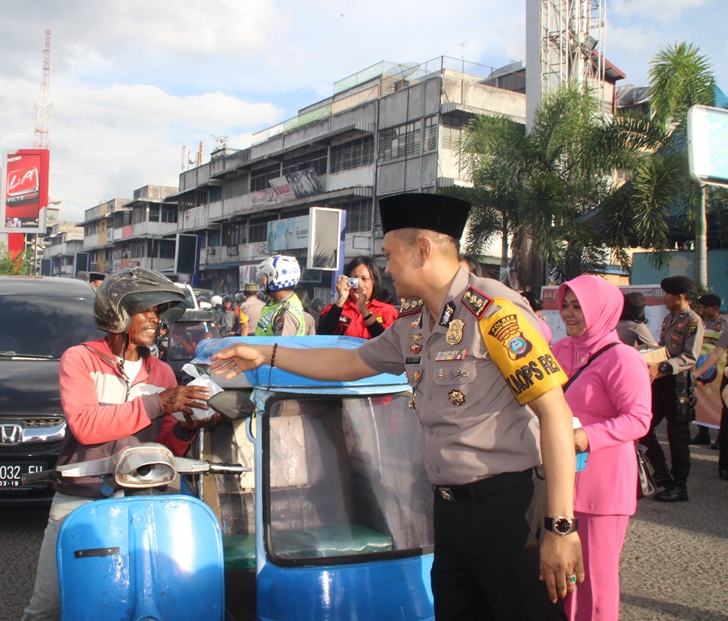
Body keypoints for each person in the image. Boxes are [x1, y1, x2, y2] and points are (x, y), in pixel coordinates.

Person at [211, 192, 583, 619]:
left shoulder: (494, 311)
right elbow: (350, 362)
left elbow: (554, 413)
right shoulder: (414, 322)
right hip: (448, 511)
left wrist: (561, 528)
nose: (385, 268)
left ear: (422, 249)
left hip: (509, 510)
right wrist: (266, 354)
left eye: (389, 255)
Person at [21, 268, 215, 621]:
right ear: (118, 313)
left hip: (140, 500)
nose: (155, 320)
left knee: (136, 601)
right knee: (47, 607)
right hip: (79, 498)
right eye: (147, 310)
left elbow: (165, 448)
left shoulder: (162, 373)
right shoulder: (80, 359)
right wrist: (158, 404)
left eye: (159, 313)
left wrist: (186, 429)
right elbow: (85, 426)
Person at [552, 275, 652, 621]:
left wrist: (588, 436)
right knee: (561, 575)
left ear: (600, 310)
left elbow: (639, 419)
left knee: (595, 580)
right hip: (561, 480)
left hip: (603, 486)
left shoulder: (622, 358)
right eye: (565, 305)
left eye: (578, 307)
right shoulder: (560, 350)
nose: (568, 313)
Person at [638, 276, 704, 503]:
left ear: (680, 296)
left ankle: (679, 486)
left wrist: (663, 366)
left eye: (667, 294)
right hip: (661, 382)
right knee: (644, 426)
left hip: (678, 385)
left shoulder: (693, 322)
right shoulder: (670, 318)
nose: (664, 298)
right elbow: (664, 349)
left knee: (678, 437)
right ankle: (662, 472)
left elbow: (690, 357)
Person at [689, 294, 728, 445]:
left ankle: (723, 436)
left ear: (715, 308)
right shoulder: (703, 324)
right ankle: (703, 434)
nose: (704, 310)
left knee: (721, 404)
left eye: (706, 307)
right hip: (704, 370)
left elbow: (720, 351)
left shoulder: (726, 325)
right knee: (701, 401)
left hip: (720, 372)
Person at [317, 256, 397, 339]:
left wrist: (364, 311)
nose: (359, 284)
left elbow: (388, 342)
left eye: (364, 279)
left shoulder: (387, 312)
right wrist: (341, 299)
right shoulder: (334, 309)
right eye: (354, 279)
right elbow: (322, 335)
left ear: (374, 282)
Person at [253, 255, 307, 336]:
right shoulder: (276, 302)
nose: (263, 281)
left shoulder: (286, 314)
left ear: (276, 279)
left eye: (266, 276)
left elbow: (283, 344)